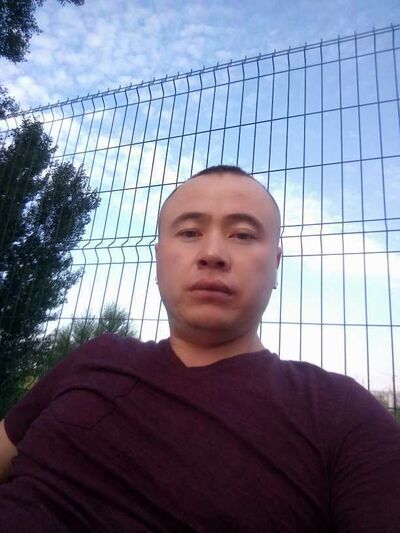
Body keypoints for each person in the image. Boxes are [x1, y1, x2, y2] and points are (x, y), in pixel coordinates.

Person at [0, 165, 399, 532]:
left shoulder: (341, 414)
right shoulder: (96, 358)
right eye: (190, 233)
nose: (212, 254)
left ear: (276, 264)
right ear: (159, 259)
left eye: (243, 235)